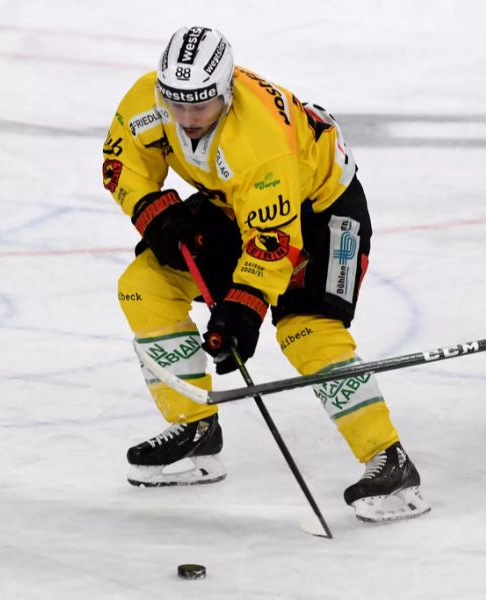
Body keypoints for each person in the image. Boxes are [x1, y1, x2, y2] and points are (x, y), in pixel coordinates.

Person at [102, 26, 428, 522]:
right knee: (143, 286)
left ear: (227, 92)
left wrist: (242, 311)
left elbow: (272, 244)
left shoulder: (259, 141)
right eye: (177, 104)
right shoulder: (150, 101)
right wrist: (153, 210)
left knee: (305, 330)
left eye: (201, 106)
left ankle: (389, 458)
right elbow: (119, 161)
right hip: (235, 206)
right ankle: (195, 428)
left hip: (324, 211)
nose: (188, 119)